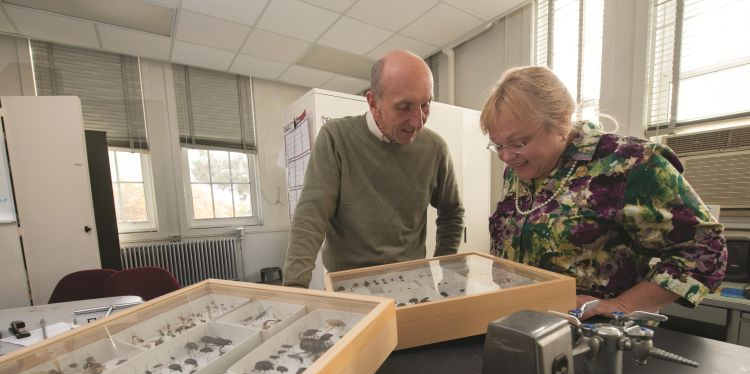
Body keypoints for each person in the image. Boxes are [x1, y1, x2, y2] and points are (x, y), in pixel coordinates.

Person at [479, 66, 727, 319]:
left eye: (519, 142)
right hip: (520, 326)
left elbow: (705, 249)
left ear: (562, 120)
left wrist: (624, 306)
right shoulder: (519, 170)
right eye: (498, 145)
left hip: (594, 341)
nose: (506, 156)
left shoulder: (631, 163)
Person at [283, 50, 465, 288]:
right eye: (404, 107)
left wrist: (445, 270)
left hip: (412, 279)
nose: (418, 121)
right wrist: (295, 288)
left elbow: (452, 212)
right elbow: (311, 215)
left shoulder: (435, 148)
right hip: (349, 282)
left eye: (426, 104)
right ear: (373, 102)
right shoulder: (336, 138)